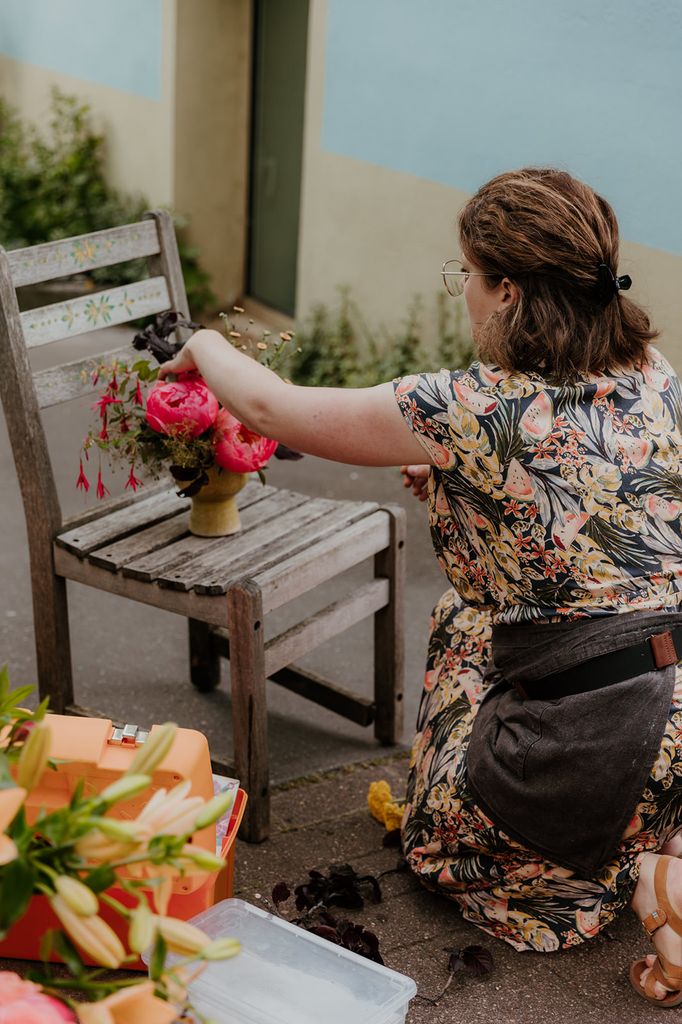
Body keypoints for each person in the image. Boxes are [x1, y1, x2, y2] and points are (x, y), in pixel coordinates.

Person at [159, 167, 682, 1006]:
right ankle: (651, 841)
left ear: (507, 290)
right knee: (486, 622)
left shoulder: (465, 407)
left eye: (466, 276)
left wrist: (202, 346)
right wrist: (453, 482)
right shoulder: (649, 371)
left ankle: (616, 868)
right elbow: (581, 512)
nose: (462, 294)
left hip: (600, 741)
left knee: (436, 843)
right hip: (676, 713)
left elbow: (270, 408)